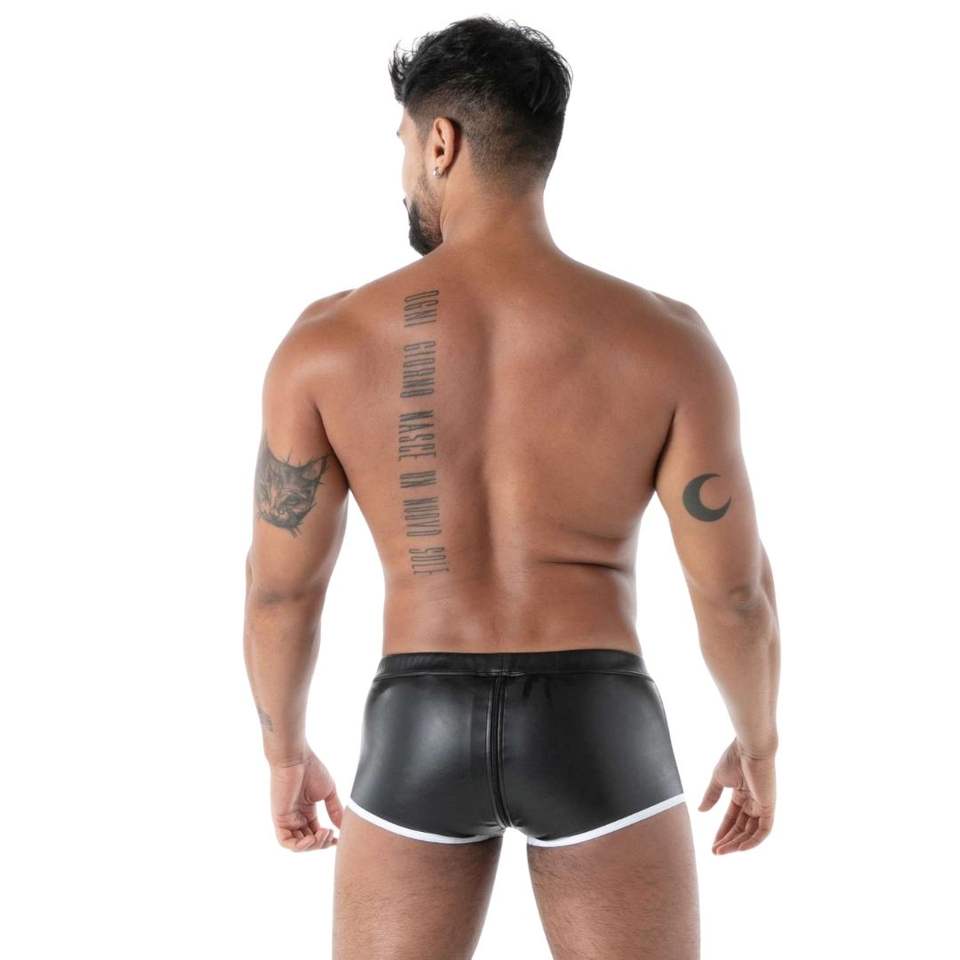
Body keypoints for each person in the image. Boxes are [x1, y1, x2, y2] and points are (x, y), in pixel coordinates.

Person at [243, 15, 780, 959]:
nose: (403, 171)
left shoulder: (326, 344)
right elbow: (733, 592)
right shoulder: (666, 341)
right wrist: (758, 742)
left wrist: (285, 751)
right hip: (599, 722)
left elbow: (281, 591)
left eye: (404, 144)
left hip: (417, 718)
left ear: (440, 143)